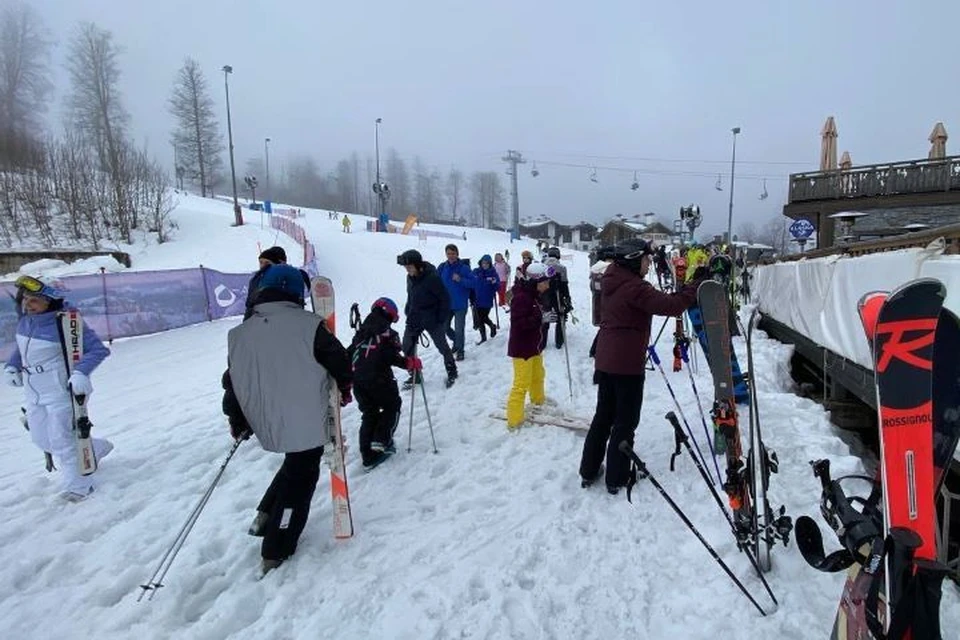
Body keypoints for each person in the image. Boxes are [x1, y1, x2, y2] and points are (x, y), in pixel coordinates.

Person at [222, 264, 353, 575]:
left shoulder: (239, 333)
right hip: (306, 415)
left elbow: (233, 380)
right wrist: (344, 388)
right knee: (302, 474)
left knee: (295, 462)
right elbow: (340, 361)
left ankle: (266, 513)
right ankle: (276, 547)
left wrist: (237, 419)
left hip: (267, 416)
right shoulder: (310, 326)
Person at [578, 239, 706, 494]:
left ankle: (589, 470)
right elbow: (672, 306)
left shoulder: (613, 277)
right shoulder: (634, 287)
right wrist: (695, 286)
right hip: (626, 363)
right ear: (634, 259)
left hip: (607, 359)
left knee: (603, 417)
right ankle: (617, 478)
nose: (649, 264)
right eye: (646, 260)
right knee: (625, 421)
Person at [4, 276, 112, 502]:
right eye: (25, 299)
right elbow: (22, 349)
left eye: (34, 300)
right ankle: (94, 449)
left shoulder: (66, 322)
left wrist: (81, 372)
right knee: (41, 438)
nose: (28, 304)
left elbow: (97, 350)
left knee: (62, 439)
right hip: (34, 392)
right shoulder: (26, 321)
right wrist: (12, 367)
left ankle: (80, 486)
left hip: (59, 390)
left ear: (50, 301)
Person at [346, 297, 418, 469]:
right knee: (392, 406)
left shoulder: (361, 332)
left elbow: (349, 354)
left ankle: (367, 455)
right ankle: (381, 441)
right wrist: (408, 362)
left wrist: (346, 381)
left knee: (369, 412)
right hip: (380, 378)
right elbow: (389, 355)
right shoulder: (387, 333)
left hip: (358, 381)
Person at [396, 249, 458, 388]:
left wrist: (440, 318)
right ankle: (415, 374)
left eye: (410, 267)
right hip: (414, 317)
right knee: (406, 346)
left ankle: (452, 370)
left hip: (432, 319)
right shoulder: (410, 277)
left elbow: (445, 299)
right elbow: (410, 295)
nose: (407, 270)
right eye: (406, 268)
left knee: (442, 346)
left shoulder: (432, 278)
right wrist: (408, 308)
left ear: (418, 265)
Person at [505, 262, 553, 430]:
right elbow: (519, 324)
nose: (548, 285)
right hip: (522, 349)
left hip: (534, 346)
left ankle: (538, 401)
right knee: (521, 384)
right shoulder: (522, 298)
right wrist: (540, 318)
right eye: (545, 282)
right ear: (535, 281)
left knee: (538, 375)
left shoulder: (534, 295)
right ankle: (514, 420)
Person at [437, 244, 475, 361]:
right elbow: (435, 282)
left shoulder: (464, 268)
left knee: (459, 329)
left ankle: (460, 350)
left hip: (460, 304)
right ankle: (456, 342)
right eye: (448, 253)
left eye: (453, 253)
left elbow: (474, 283)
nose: (451, 256)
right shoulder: (442, 267)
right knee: (444, 327)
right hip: (446, 304)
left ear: (457, 254)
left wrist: (460, 279)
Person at [541, 247, 572, 350]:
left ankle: (542, 342)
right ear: (558, 256)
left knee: (545, 317)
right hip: (558, 295)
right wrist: (567, 299)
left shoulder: (543, 266)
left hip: (545, 296)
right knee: (561, 317)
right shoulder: (562, 268)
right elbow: (564, 285)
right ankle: (559, 341)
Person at [471, 255, 500, 344]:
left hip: (487, 299)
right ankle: (484, 336)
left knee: (482, 317)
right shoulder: (476, 271)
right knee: (481, 318)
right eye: (483, 263)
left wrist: (495, 283)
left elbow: (497, 286)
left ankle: (492, 326)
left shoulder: (493, 273)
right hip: (477, 299)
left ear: (490, 264)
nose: (485, 265)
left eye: (487, 263)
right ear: (481, 262)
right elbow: (470, 281)